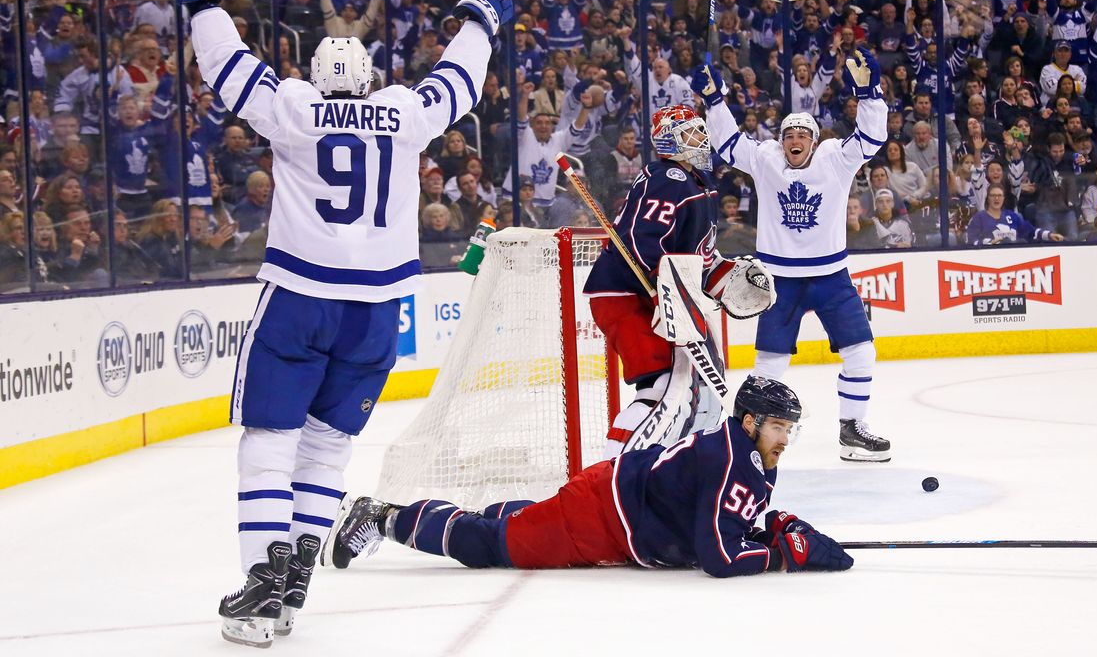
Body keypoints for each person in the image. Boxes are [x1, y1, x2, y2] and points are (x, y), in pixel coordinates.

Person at [150, 0, 513, 647]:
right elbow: (459, 84)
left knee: (268, 439)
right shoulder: (404, 112)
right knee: (327, 446)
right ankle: (299, 569)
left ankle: (262, 582)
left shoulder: (293, 106)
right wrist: (480, 22)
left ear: (319, 75)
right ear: (371, 80)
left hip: (300, 296)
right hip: (378, 311)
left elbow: (227, 67)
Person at [324, 377, 853, 578]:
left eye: (790, 428)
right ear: (750, 422)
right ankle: (385, 518)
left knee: (520, 524)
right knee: (497, 547)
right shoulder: (730, 458)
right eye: (778, 426)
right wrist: (776, 553)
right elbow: (717, 557)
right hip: (601, 513)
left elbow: (718, 525)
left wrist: (768, 529)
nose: (784, 436)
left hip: (613, 507)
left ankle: (493, 516)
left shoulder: (752, 458)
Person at [698, 46, 892, 462]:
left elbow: (874, 138)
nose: (795, 141)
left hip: (831, 278)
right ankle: (744, 439)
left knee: (862, 353)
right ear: (780, 141)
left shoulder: (835, 158)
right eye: (788, 135)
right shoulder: (766, 159)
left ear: (815, 139)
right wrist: (714, 102)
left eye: (802, 135)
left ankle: (852, 430)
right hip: (778, 281)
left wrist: (871, 92)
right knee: (769, 365)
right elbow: (729, 144)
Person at [583, 103, 773, 459]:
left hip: (661, 296)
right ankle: (610, 472)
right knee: (658, 386)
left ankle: (669, 463)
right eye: (690, 134)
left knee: (691, 387)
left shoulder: (700, 184)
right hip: (625, 294)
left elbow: (697, 258)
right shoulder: (666, 178)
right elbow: (642, 239)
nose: (701, 139)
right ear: (669, 142)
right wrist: (664, 289)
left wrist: (726, 277)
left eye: (702, 132)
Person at [967, 183, 1066, 245]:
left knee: (1022, 242)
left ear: (1003, 198)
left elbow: (1030, 231)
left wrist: (1049, 235)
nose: (996, 199)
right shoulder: (979, 218)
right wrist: (989, 243)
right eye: (993, 196)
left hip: (1015, 258)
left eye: (999, 196)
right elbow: (971, 241)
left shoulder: (1012, 216)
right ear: (988, 198)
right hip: (991, 258)